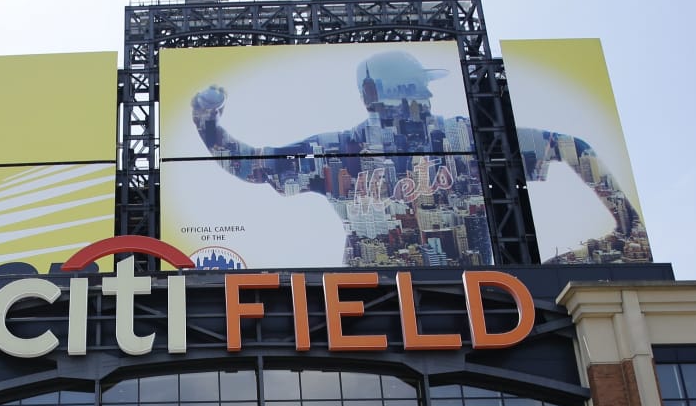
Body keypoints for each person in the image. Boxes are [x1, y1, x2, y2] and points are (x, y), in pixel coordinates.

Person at [190, 49, 645, 267]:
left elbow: (248, 164)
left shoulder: (340, 150)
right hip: (441, 308)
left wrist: (206, 123)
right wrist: (627, 225)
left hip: (420, 309)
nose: (422, 98)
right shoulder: (461, 136)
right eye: (416, 89)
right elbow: (574, 147)